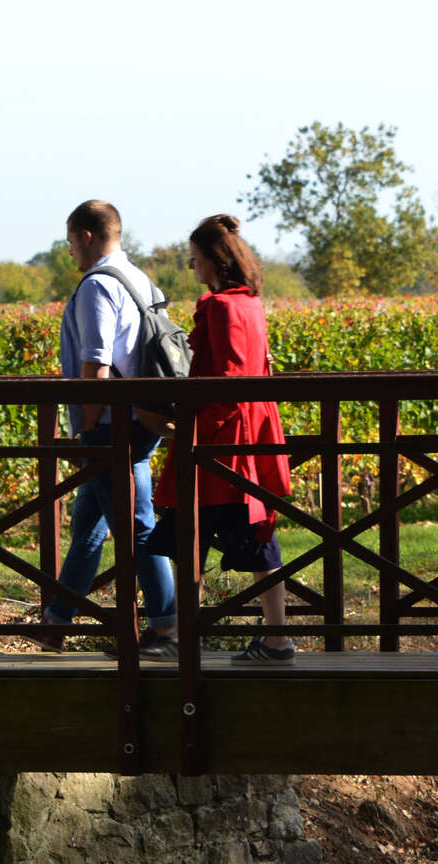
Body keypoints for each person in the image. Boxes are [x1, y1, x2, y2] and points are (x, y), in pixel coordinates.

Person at [35, 200, 179, 657]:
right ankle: (56, 621)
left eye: (70, 241)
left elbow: (96, 364)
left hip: (112, 426)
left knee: (137, 527)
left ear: (86, 236)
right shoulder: (141, 279)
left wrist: (89, 427)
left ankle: (168, 629)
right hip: (142, 417)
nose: (70, 251)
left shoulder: (98, 286)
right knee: (89, 526)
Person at [153, 215, 296, 663]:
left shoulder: (218, 306)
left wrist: (193, 424)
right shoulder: (251, 303)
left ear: (215, 260)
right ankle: (276, 637)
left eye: (195, 260)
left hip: (222, 443)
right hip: (250, 434)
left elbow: (228, 379)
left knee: (187, 536)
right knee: (256, 536)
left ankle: (183, 638)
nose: (192, 267)